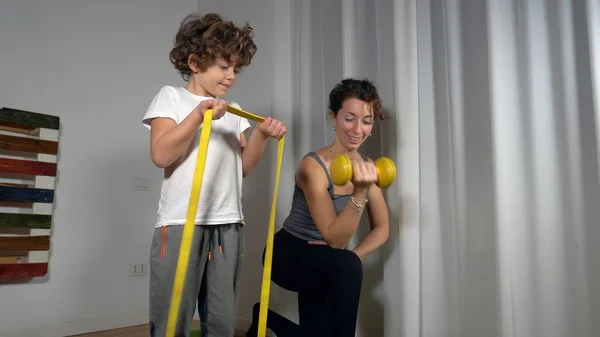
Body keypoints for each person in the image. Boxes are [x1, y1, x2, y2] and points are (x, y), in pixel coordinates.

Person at [141, 12, 287, 337]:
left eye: (235, 68)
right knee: (172, 319)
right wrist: (197, 115)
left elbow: (242, 168)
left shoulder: (232, 111)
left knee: (220, 322)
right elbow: (161, 154)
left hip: (228, 224)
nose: (232, 75)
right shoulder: (172, 97)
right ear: (195, 62)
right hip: (180, 224)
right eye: (224, 66)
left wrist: (261, 135)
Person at [246, 78, 390, 337]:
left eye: (367, 121)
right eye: (350, 118)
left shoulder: (367, 166)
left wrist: (354, 257)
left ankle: (265, 319)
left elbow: (382, 229)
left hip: (327, 260)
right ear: (333, 117)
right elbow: (335, 240)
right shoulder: (312, 168)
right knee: (345, 266)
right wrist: (360, 191)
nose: (358, 129)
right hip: (288, 253)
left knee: (344, 268)